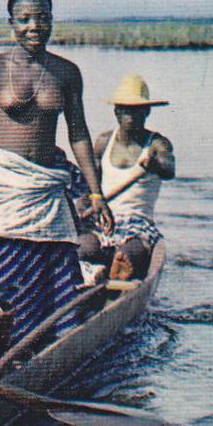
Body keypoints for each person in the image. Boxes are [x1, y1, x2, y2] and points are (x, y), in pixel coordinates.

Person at [0, 0, 114, 345]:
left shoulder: (66, 72)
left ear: (52, 20)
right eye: (25, 19)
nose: (35, 27)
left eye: (43, 18)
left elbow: (78, 134)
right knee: (1, 264)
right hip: (3, 183)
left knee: (55, 264)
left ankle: (46, 345)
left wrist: (96, 194)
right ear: (11, 23)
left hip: (46, 186)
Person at [77, 74, 174, 280]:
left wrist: (156, 164)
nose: (131, 116)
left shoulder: (157, 144)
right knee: (84, 249)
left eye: (137, 110)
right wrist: (83, 208)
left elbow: (169, 169)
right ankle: (95, 275)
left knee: (128, 255)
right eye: (126, 110)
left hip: (138, 223)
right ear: (117, 112)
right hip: (104, 219)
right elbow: (90, 186)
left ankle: (117, 271)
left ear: (147, 112)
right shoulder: (104, 142)